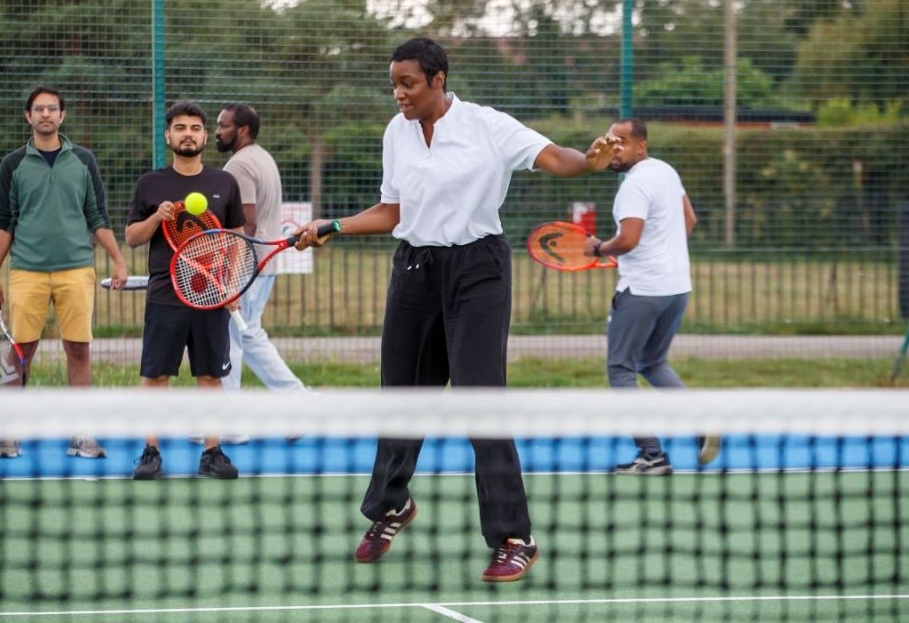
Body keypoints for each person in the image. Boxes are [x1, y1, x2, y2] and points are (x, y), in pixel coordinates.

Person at [294, 37, 621, 582]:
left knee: (480, 403)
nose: (399, 94)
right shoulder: (396, 133)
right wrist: (332, 226)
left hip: (478, 271)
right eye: (394, 83)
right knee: (400, 398)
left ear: (438, 80)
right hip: (415, 270)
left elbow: (555, 159)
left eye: (409, 84)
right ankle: (391, 505)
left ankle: (515, 537)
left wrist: (591, 162)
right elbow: (392, 210)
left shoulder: (487, 126)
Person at [0, 85, 128, 459]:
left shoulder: (83, 160)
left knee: (78, 349)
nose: (46, 114)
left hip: (77, 270)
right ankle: (9, 434)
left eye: (52, 109)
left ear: (62, 116)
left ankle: (80, 434)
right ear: (28, 117)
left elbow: (97, 216)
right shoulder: (12, 164)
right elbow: (5, 223)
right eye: (39, 109)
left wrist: (119, 259)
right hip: (26, 272)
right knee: (21, 351)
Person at [581, 118, 709, 475]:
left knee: (620, 370)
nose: (614, 147)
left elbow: (628, 240)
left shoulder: (634, 187)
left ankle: (651, 456)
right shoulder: (666, 172)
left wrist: (598, 248)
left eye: (622, 140)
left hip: (642, 291)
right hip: (676, 288)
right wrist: (660, 254)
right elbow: (689, 220)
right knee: (652, 362)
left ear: (641, 146)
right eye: (610, 140)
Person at [125, 100, 245, 481]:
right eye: (181, 128)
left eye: (195, 128)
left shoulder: (224, 183)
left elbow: (237, 241)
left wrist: (233, 282)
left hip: (210, 296)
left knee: (210, 377)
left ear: (205, 136)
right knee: (155, 377)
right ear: (168, 135)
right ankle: (150, 452)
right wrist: (156, 219)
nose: (188, 134)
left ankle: (212, 453)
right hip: (165, 295)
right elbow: (131, 238)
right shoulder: (151, 184)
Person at [215, 103, 305, 395]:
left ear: (242, 130)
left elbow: (246, 223)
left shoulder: (239, 165)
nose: (217, 132)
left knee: (233, 339)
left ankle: (227, 420)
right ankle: (301, 402)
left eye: (223, 125)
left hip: (248, 267)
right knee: (248, 334)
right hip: (261, 264)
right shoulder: (262, 157)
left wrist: (228, 272)